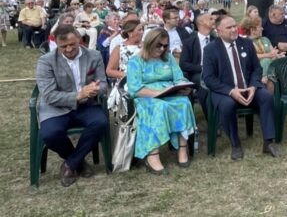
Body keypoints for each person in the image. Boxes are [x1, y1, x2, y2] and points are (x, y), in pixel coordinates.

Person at [35, 25, 109, 186]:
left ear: (79, 40)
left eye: (72, 44)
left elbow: (103, 83)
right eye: (63, 46)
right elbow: (49, 95)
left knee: (100, 123)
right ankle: (79, 162)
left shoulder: (94, 55)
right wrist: (78, 95)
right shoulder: (46, 61)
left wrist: (95, 89)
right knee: (50, 134)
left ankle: (71, 164)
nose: (68, 49)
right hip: (56, 107)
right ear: (56, 44)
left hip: (87, 104)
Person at [202, 15, 282, 161]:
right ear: (218, 31)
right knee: (227, 105)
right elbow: (208, 78)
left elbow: (256, 69)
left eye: (234, 26)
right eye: (229, 27)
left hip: (248, 88)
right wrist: (231, 91)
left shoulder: (246, 43)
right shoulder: (210, 49)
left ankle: (268, 142)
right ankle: (235, 144)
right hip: (225, 92)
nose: (234, 30)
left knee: (266, 97)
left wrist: (253, 86)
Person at [126, 28, 196, 174]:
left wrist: (184, 86)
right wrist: (157, 93)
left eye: (165, 45)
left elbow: (178, 77)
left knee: (183, 103)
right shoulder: (136, 61)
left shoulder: (168, 58)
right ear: (149, 43)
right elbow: (135, 89)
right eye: (159, 45)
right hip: (146, 97)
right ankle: (152, 154)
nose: (162, 49)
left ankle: (182, 149)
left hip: (169, 93)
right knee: (159, 107)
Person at [179, 14, 216, 116]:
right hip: (198, 74)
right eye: (211, 19)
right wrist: (203, 68)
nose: (214, 20)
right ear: (201, 23)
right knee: (204, 83)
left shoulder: (217, 41)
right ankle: (212, 121)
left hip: (217, 73)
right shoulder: (189, 42)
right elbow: (184, 64)